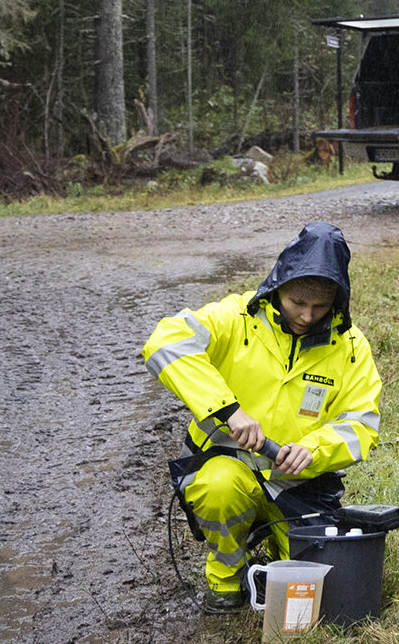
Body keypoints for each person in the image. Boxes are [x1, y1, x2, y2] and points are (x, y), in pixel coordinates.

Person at [141, 220, 383, 613]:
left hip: (297, 485)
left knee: (325, 590)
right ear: (278, 285)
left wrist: (313, 450)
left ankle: (278, 543)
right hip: (226, 464)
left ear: (338, 299)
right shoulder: (236, 318)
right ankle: (226, 576)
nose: (306, 315)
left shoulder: (351, 348)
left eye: (319, 305)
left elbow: (362, 424)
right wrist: (229, 411)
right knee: (220, 489)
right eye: (297, 302)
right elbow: (164, 342)